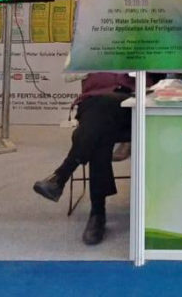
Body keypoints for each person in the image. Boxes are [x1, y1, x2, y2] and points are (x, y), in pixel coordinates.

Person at [33, 72, 136, 245]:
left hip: (132, 104)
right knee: (99, 130)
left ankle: (65, 180)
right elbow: (70, 75)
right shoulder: (88, 53)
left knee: (95, 128)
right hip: (93, 103)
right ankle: (96, 212)